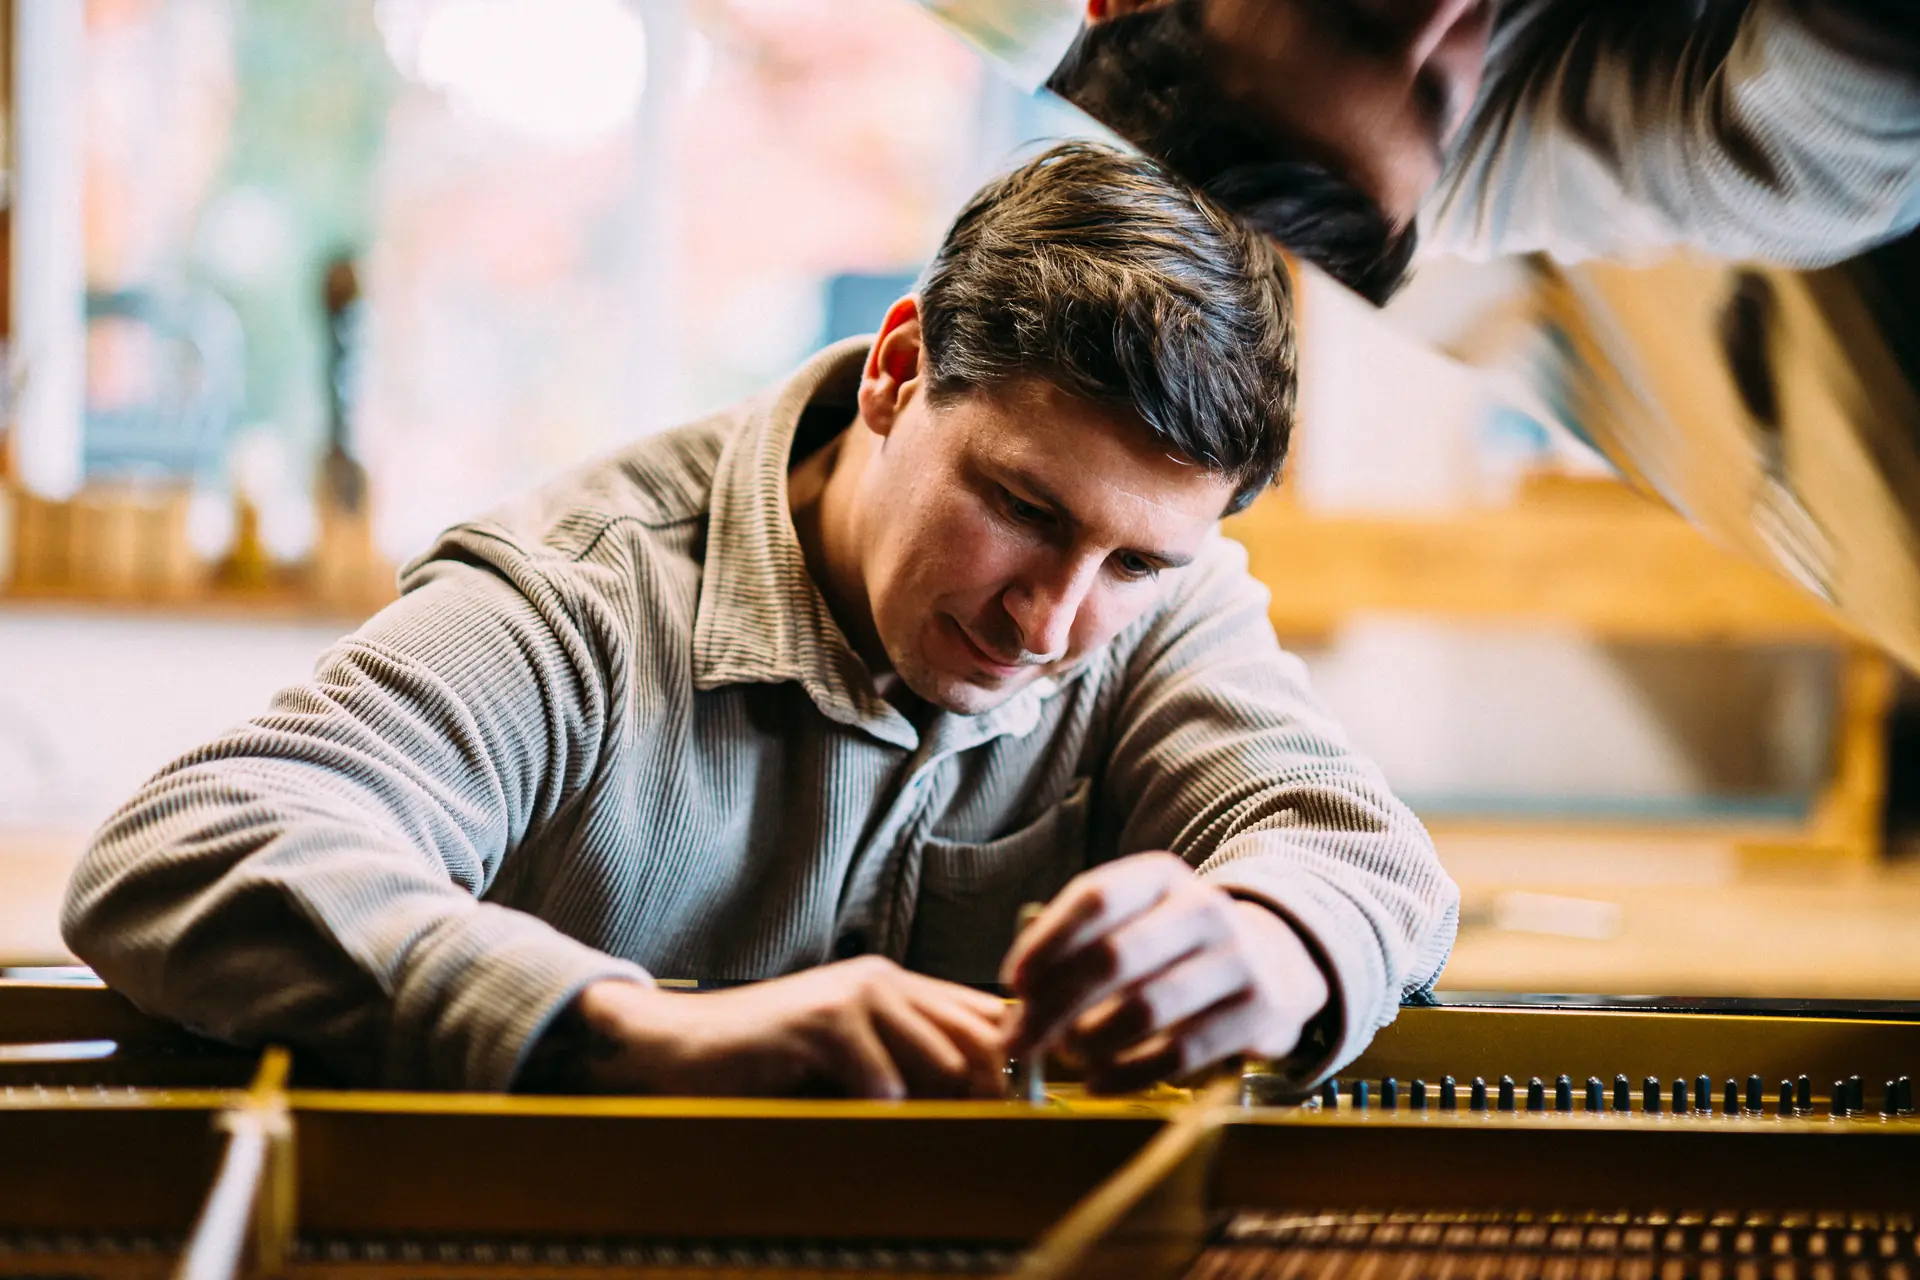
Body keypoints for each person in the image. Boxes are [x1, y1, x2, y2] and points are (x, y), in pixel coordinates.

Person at [62, 143, 1457, 1098]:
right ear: (903, 372)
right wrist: (636, 1032)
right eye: (1023, 508)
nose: (1055, 615)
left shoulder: (1162, 602)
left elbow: (1365, 862)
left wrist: (1269, 941)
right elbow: (187, 850)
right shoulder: (585, 599)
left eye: (1135, 562)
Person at [1047, 0, 1920, 302]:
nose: (1446, 10)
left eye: (1349, 9)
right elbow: (1784, 168)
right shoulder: (1459, 174)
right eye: (1436, 95)